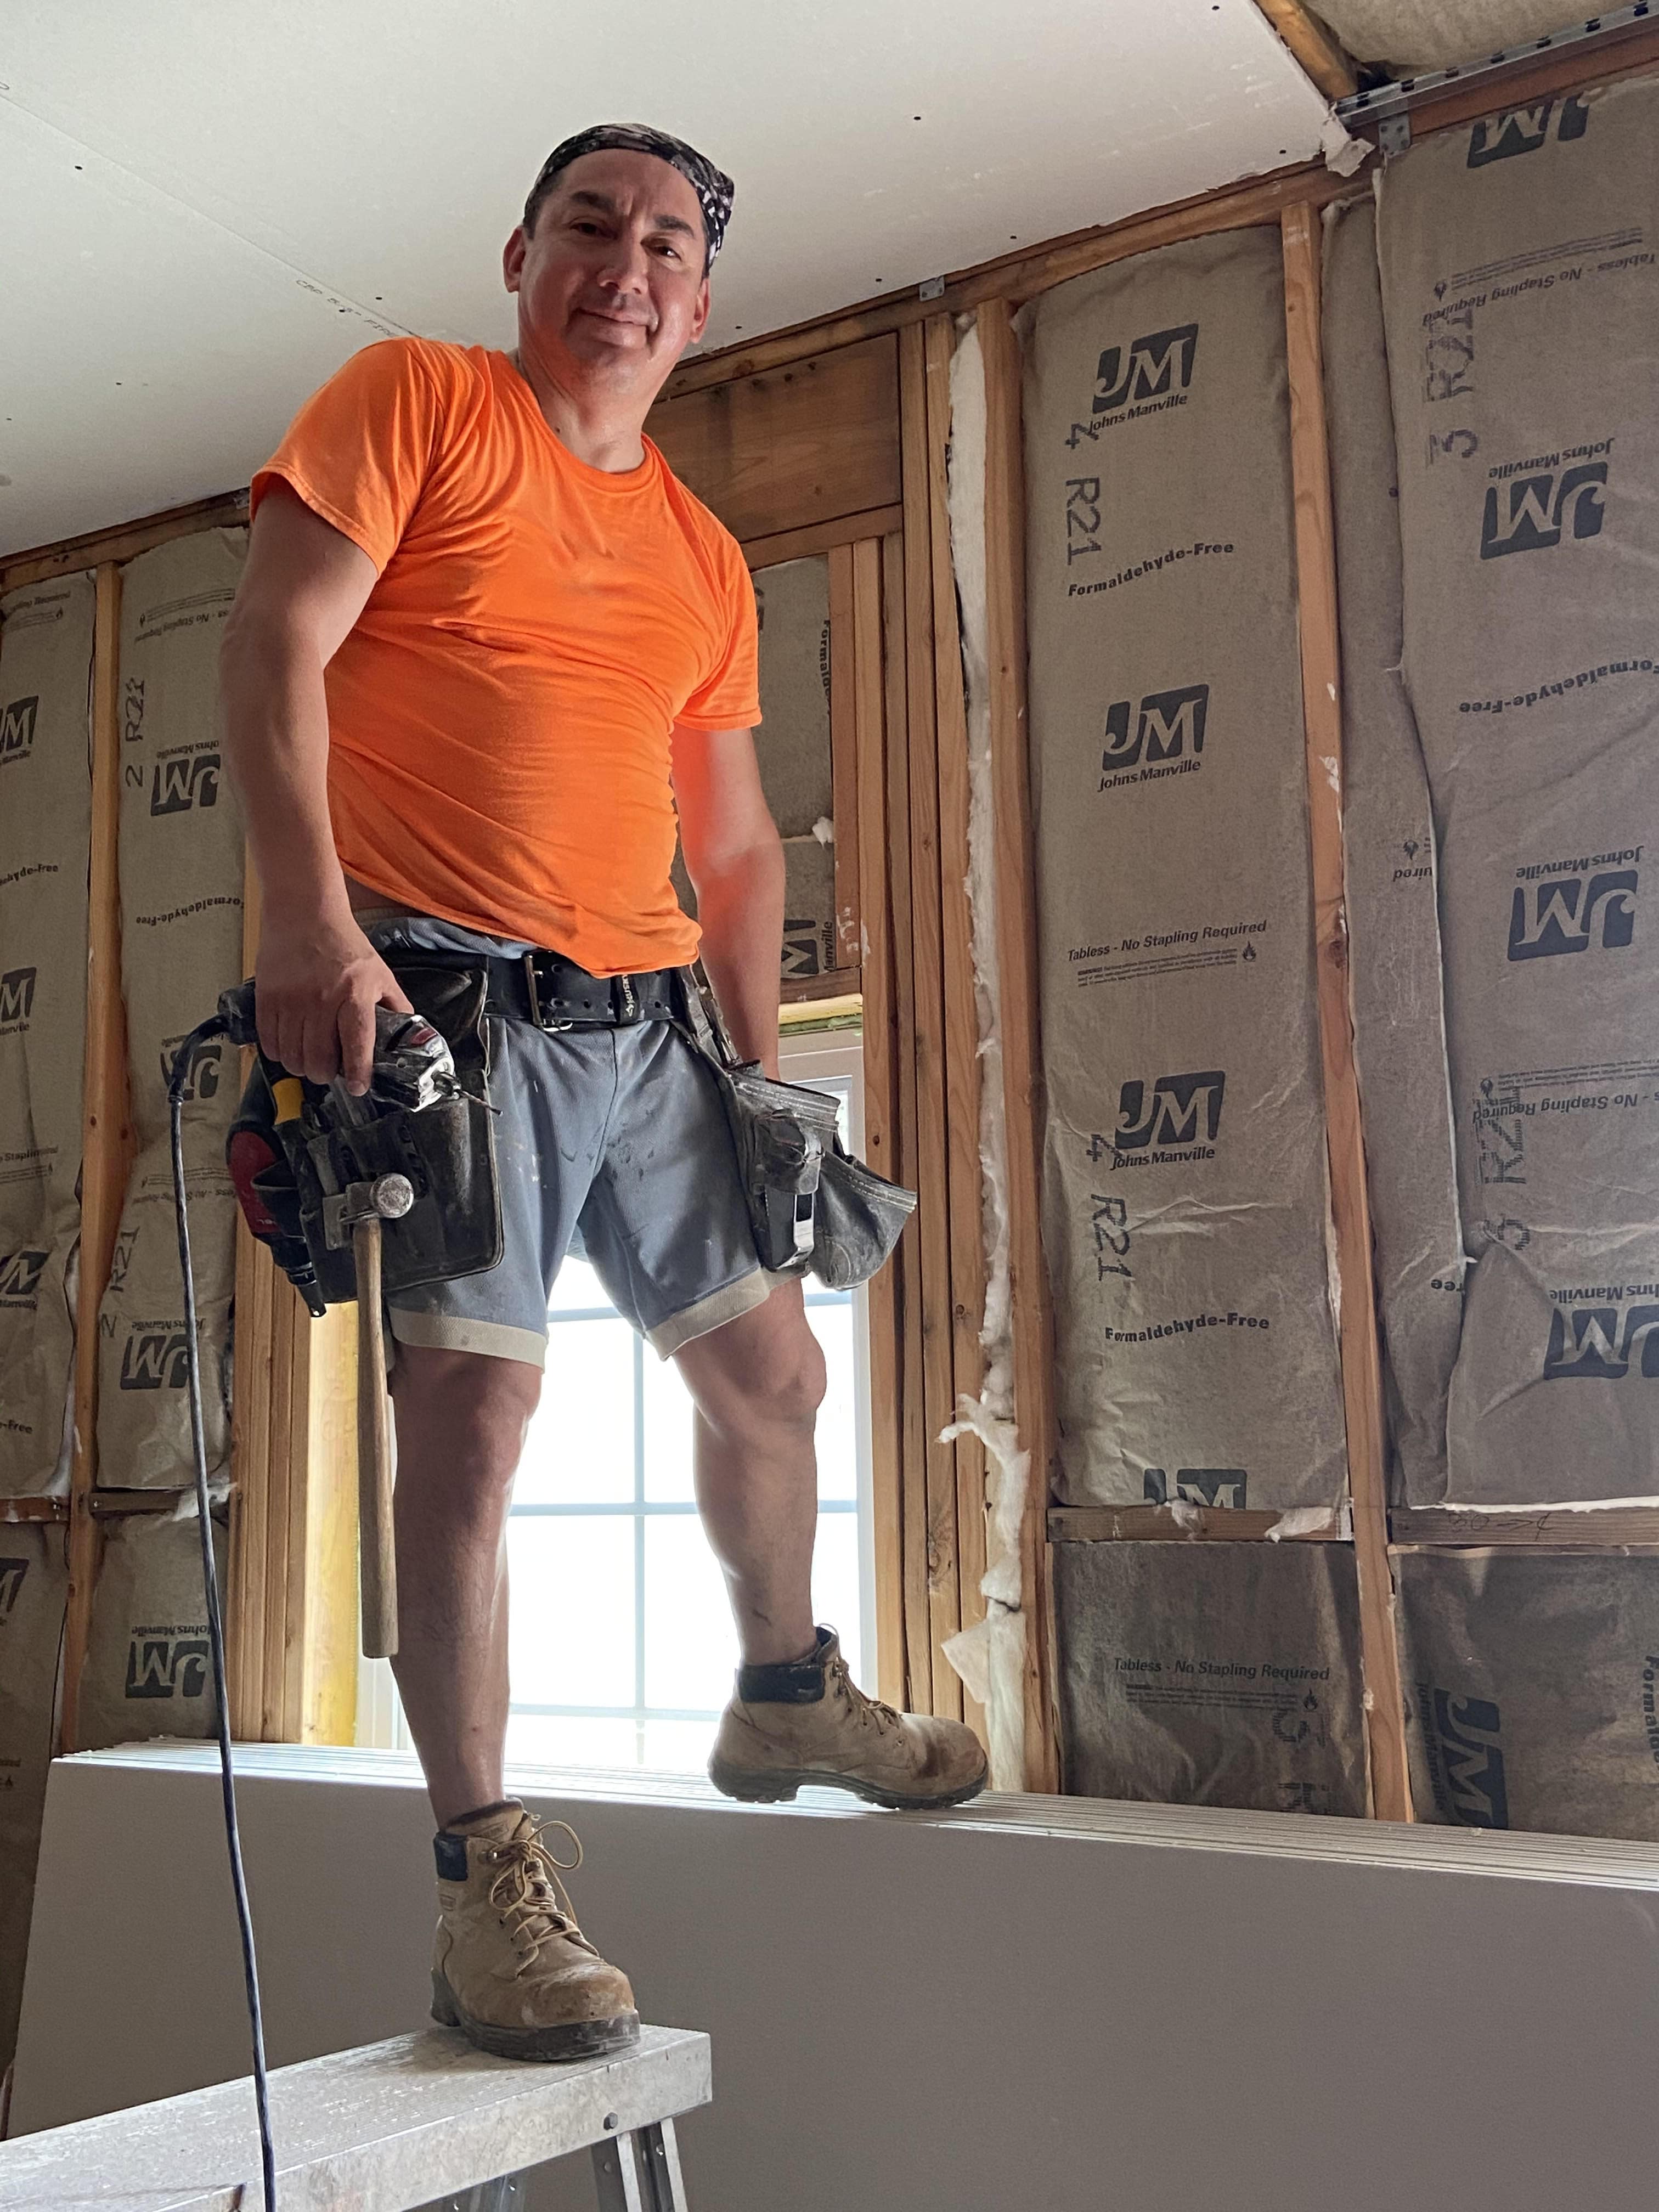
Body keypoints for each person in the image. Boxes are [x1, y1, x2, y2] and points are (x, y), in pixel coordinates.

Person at [221, 123, 986, 2063]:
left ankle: (783, 1690)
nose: (624, 266)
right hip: (450, 1008)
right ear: (522, 252)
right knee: (473, 1424)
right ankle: (487, 1884)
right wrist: (306, 923)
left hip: (652, 1027)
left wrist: (749, 1070)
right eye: (590, 226)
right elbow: (278, 640)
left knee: (779, 1376)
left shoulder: (702, 553)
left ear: (700, 302)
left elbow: (732, 845)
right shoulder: (416, 404)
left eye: (664, 243)